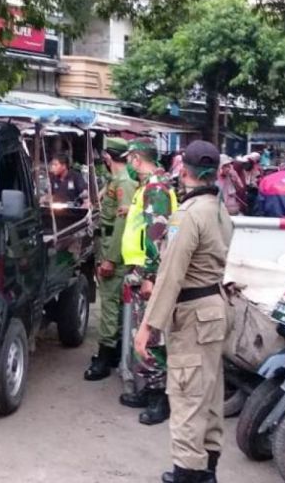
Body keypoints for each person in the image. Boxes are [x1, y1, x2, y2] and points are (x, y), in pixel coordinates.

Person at [135, 140, 232, 483]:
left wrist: (148, 326)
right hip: (214, 309)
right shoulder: (219, 209)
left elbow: (170, 275)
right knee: (209, 394)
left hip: (193, 313)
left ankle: (189, 474)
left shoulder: (189, 214)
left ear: (184, 171)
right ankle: (207, 469)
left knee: (188, 396)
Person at [119, 138, 177, 425]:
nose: (128, 164)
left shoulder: (156, 189)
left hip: (148, 271)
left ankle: (159, 397)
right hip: (140, 269)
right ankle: (149, 387)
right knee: (142, 334)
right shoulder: (149, 186)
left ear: (137, 159)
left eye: (129, 159)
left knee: (152, 336)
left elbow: (157, 234)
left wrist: (150, 277)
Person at [85, 138, 139, 381]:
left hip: (113, 249)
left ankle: (104, 358)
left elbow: (122, 224)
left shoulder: (123, 183)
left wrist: (110, 259)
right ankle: (115, 352)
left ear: (108, 157)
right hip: (107, 243)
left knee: (109, 303)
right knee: (114, 304)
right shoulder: (115, 181)